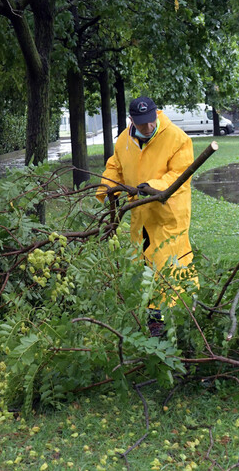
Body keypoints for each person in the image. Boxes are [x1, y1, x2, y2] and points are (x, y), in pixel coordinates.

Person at [96, 97, 195, 334]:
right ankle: (153, 320)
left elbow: (180, 175)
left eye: (151, 122)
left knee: (167, 266)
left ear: (156, 115)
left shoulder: (177, 139)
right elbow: (115, 166)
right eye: (142, 124)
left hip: (167, 217)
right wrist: (106, 188)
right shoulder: (124, 139)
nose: (147, 128)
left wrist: (151, 186)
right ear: (132, 121)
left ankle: (167, 324)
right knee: (141, 266)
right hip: (139, 216)